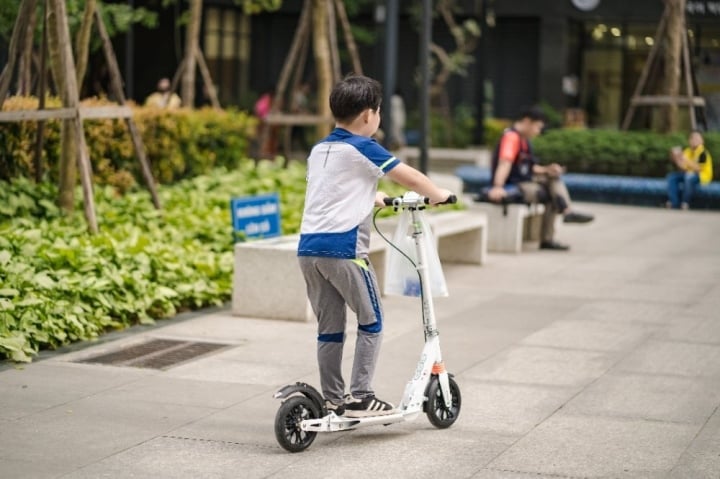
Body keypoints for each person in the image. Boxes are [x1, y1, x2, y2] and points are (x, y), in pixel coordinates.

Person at [297, 74, 452, 417]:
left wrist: (374, 196)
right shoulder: (364, 147)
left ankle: (334, 399)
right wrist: (438, 195)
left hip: (309, 250)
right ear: (369, 115)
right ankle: (363, 395)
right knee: (371, 320)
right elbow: (408, 175)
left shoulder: (320, 149)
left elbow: (335, 190)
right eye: (378, 112)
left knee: (330, 326)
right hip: (345, 251)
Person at [486, 107, 594, 251]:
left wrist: (547, 170)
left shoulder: (525, 141)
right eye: (537, 127)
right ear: (527, 122)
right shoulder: (512, 137)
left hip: (525, 182)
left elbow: (530, 167)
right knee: (550, 194)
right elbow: (505, 162)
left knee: (553, 180)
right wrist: (498, 186)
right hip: (513, 185)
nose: (538, 131)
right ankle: (562, 219)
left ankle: (564, 215)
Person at [666, 131, 713, 210]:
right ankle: (674, 202)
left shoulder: (703, 153)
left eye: (697, 138)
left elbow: (699, 169)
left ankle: (685, 202)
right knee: (672, 177)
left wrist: (686, 160)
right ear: (689, 141)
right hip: (688, 173)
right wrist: (676, 158)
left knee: (689, 177)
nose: (694, 140)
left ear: (702, 141)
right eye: (692, 138)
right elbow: (683, 168)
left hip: (702, 176)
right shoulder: (687, 151)